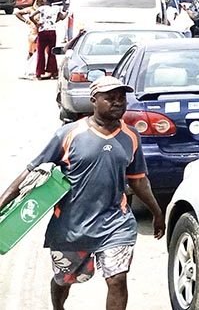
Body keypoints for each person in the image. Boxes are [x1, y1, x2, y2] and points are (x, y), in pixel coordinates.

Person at [0, 76, 165, 310]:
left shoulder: (131, 136)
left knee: (117, 280)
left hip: (115, 224)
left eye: (122, 98)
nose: (118, 102)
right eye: (111, 98)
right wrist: (2, 204)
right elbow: (29, 172)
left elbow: (138, 181)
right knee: (63, 281)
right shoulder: (69, 134)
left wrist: (158, 212)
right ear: (93, 100)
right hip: (72, 226)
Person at [30, 0, 67, 80]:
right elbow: (62, 17)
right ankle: (53, 72)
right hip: (52, 31)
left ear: (45, 0)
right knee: (52, 52)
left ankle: (39, 72)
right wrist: (66, 12)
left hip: (42, 31)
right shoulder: (56, 8)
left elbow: (31, 16)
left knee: (40, 52)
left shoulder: (42, 8)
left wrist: (37, 23)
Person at [15, 0, 44, 77]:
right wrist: (26, 21)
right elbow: (17, 13)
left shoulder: (44, 9)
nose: (40, 3)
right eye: (38, 1)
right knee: (31, 52)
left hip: (42, 32)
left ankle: (39, 69)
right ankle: (26, 69)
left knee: (43, 52)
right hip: (33, 33)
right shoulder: (31, 9)